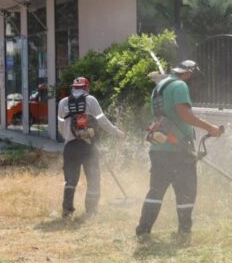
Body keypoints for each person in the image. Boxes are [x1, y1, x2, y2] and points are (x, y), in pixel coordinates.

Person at [136, 60, 222, 241]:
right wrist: (210, 128)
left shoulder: (159, 86)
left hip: (159, 146)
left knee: (156, 190)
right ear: (189, 74)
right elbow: (184, 114)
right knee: (186, 189)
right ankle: (184, 231)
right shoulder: (180, 85)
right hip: (178, 149)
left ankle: (143, 231)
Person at [57, 76, 125, 219]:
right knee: (93, 179)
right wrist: (117, 133)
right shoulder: (91, 100)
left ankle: (67, 211)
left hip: (70, 147)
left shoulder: (63, 102)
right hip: (88, 147)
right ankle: (91, 211)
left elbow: (61, 127)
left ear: (73, 87)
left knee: (70, 181)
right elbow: (102, 122)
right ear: (87, 87)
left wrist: (69, 138)